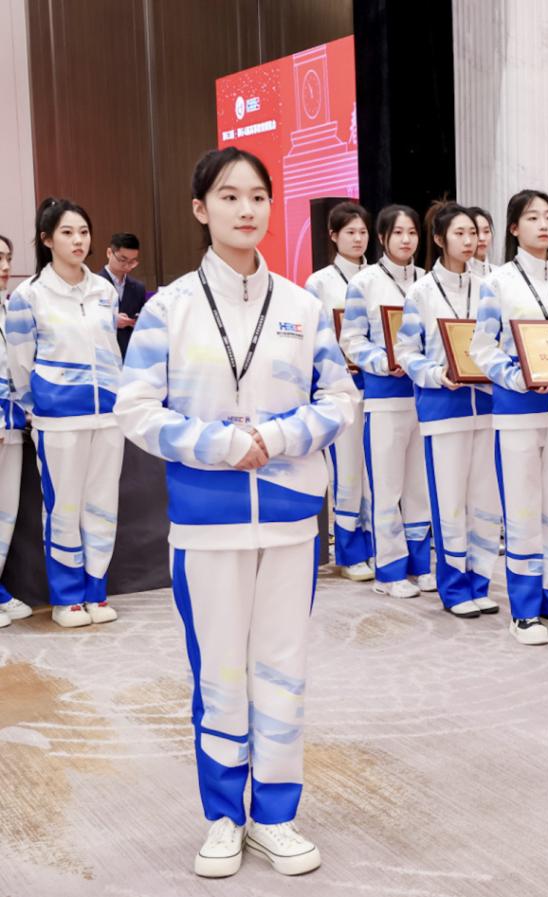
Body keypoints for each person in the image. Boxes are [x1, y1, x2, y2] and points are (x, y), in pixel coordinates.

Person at [115, 147, 355, 878]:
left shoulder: (302, 308)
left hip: (289, 517)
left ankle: (275, 816)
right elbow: (135, 409)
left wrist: (277, 439)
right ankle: (223, 816)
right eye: (228, 196)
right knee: (219, 672)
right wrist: (220, 445)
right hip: (206, 519)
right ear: (201, 208)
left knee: (282, 669)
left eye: (257, 196)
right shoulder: (169, 308)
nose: (245, 209)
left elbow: (340, 399)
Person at [470, 188, 548, 646]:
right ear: (514, 228)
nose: (544, 225)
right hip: (518, 409)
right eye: (532, 218)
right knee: (522, 506)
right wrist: (517, 378)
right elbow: (483, 347)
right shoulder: (497, 282)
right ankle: (523, 608)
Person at [6, 199, 123, 628]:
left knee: (103, 506)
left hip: (108, 417)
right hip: (57, 421)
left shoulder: (104, 292)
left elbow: (112, 352)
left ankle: (96, 591)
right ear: (47, 239)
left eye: (84, 232)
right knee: (64, 508)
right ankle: (68, 598)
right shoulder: (29, 296)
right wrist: (41, 405)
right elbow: (20, 363)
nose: (78, 241)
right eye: (68, 232)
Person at [395, 201, 501, 618]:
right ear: (439, 239)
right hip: (443, 407)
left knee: (485, 500)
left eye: (473, 232)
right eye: (459, 233)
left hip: (488, 405)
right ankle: (454, 586)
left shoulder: (489, 287)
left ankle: (480, 580)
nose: (469, 240)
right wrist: (437, 374)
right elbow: (406, 351)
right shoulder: (420, 293)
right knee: (450, 500)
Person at [341, 205, 435, 598]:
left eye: (412, 232)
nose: (406, 239)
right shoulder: (363, 283)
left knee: (420, 488)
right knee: (386, 486)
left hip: (425, 397)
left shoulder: (429, 281)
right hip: (384, 397)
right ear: (382, 238)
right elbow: (351, 340)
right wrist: (384, 362)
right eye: (398, 232)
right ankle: (390, 571)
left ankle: (421, 565)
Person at [305, 200, 374, 581]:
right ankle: (349, 552)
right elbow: (315, 339)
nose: (358, 239)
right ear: (333, 236)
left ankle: (379, 546)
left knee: (376, 473)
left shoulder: (379, 277)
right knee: (346, 471)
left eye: (363, 232)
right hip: (341, 386)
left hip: (380, 385)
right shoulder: (319, 283)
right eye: (350, 232)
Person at [0, 234, 32, 627]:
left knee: (6, 511)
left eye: (7, 257)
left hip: (13, 424)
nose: (5, 266)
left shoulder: (12, 308)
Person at [97, 233, 147, 357]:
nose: (127, 265)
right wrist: (112, 320)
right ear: (109, 253)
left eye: (132, 261)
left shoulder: (138, 288)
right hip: (102, 353)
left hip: (129, 353)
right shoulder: (93, 285)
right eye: (122, 259)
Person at [466, 206, 494, 277]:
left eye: (486, 231)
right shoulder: (459, 275)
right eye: (475, 232)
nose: (482, 238)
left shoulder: (500, 274)